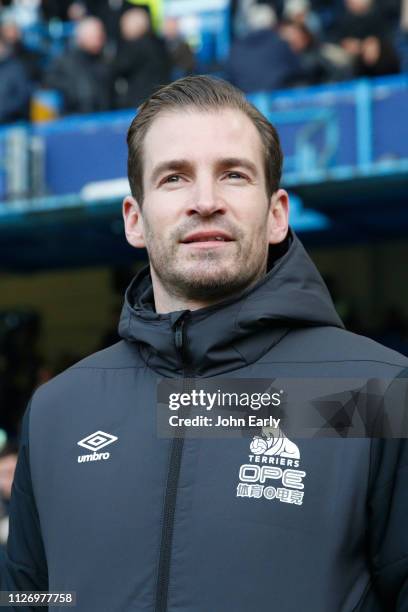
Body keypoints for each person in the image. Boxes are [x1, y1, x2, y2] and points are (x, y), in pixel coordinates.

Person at [3, 75, 408, 611]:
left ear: (277, 214)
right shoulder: (61, 411)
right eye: (174, 178)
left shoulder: (372, 394)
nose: (205, 201)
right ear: (135, 219)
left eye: (234, 175)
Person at [44, 16, 111, 115]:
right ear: (82, 37)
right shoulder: (65, 60)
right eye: (95, 37)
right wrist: (71, 89)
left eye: (100, 36)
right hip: (76, 117)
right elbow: (48, 80)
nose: (100, 40)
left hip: (103, 115)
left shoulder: (106, 59)